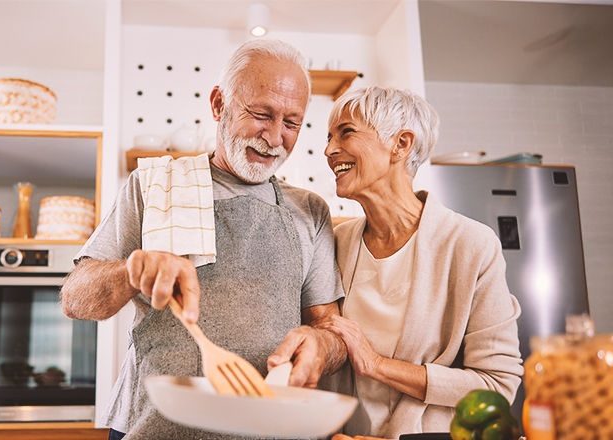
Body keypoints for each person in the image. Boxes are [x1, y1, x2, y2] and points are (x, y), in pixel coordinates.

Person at [60, 39, 347, 439]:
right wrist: (130, 271)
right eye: (262, 114)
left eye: (292, 122)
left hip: (268, 429)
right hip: (152, 426)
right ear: (218, 104)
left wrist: (322, 345)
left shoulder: (310, 211)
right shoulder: (152, 186)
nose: (276, 137)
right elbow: (75, 299)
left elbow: (331, 329)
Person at [317, 86, 523, 437]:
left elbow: (495, 386)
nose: (329, 150)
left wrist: (377, 365)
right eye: (328, 137)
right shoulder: (337, 242)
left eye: (346, 132)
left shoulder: (470, 245)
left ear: (401, 144)